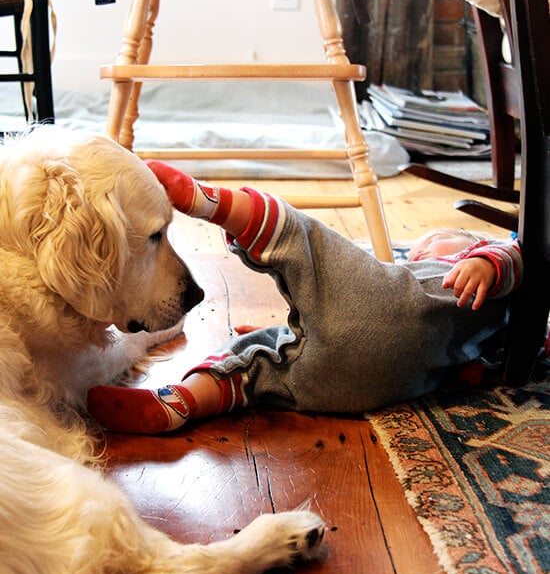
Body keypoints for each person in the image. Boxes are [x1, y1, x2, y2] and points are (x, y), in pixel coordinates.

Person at [87, 163, 523, 435]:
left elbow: (524, 252)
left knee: (302, 241)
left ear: (468, 245)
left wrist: (490, 260)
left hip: (358, 358)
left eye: (432, 245)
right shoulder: (484, 331)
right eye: (421, 249)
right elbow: (469, 364)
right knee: (254, 362)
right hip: (375, 386)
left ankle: (209, 202)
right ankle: (175, 403)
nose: (420, 252)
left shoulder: (467, 268)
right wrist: (276, 332)